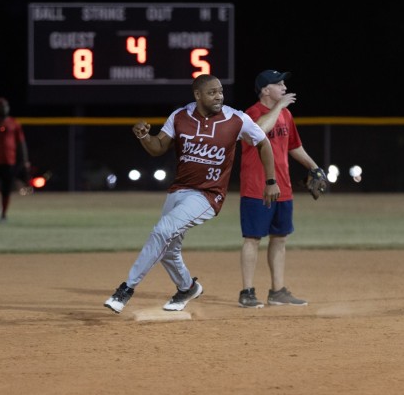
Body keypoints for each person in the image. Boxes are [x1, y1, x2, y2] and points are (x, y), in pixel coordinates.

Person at [104, 74, 280, 314]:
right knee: (168, 249)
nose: (219, 96)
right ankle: (187, 287)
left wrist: (271, 180)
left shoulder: (237, 119)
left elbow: (263, 143)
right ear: (197, 95)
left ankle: (126, 289)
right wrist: (144, 136)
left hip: (208, 195)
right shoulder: (179, 116)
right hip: (179, 190)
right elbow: (158, 147)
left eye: (220, 91)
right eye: (212, 92)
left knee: (163, 230)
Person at [238, 69, 324, 308]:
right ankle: (247, 291)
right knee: (252, 238)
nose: (285, 88)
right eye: (279, 84)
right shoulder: (250, 114)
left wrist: (314, 167)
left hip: (283, 187)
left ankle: (277, 291)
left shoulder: (286, 115)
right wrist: (279, 107)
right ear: (266, 90)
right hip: (257, 188)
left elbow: (294, 146)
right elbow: (259, 132)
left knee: (280, 238)